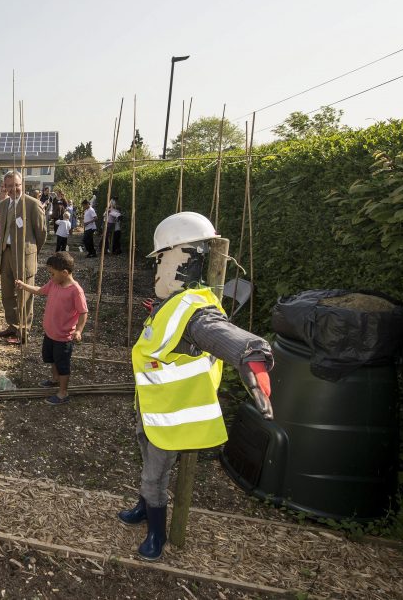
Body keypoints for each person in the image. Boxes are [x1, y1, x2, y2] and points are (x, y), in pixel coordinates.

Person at [118, 212, 274, 561]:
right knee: (146, 462)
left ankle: (156, 537)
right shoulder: (172, 304)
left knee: (155, 476)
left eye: (162, 259)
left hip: (174, 418)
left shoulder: (194, 309)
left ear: (188, 258)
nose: (157, 269)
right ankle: (143, 509)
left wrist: (249, 353)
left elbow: (217, 332)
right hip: (154, 409)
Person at [15, 251, 88, 405]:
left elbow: (83, 312)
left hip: (64, 337)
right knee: (51, 359)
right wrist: (23, 286)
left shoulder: (76, 291)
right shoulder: (54, 283)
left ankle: (63, 392)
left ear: (65, 273)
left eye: (52, 273)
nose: (50, 276)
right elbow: (40, 291)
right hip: (50, 333)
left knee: (63, 365)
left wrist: (79, 330)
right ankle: (54, 380)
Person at [0, 171, 46, 345]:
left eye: (16, 185)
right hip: (6, 253)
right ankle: (13, 325)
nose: (13, 189)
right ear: (4, 187)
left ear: (22, 184)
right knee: (7, 293)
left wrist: (31, 252)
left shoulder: (32, 204)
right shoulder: (3, 205)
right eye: (9, 186)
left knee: (24, 294)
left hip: (24, 256)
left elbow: (41, 233)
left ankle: (23, 332)